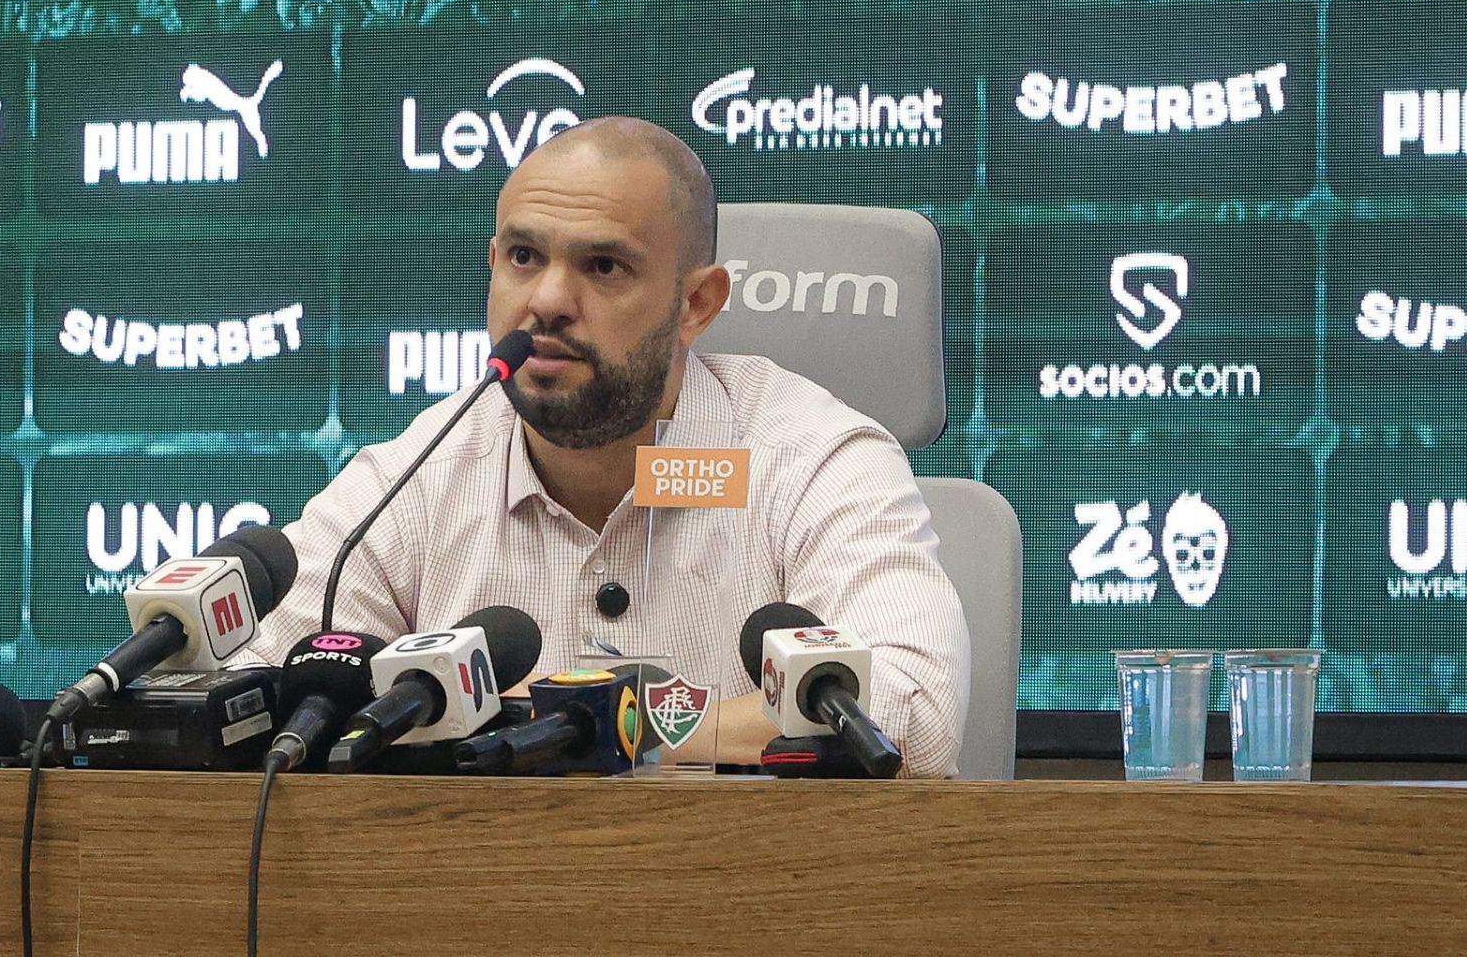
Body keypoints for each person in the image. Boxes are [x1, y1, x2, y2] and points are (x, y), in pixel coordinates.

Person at [247, 116, 970, 776]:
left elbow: (914, 717)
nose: (548, 301)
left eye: (603, 267)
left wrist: (592, 726)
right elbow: (253, 691)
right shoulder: (417, 474)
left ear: (696, 304)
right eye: (524, 256)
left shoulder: (812, 458)